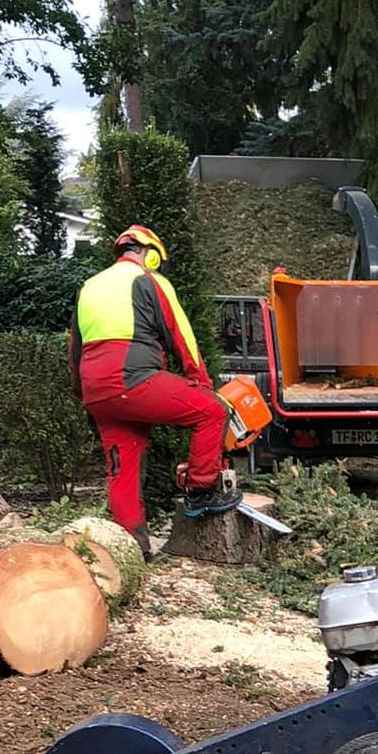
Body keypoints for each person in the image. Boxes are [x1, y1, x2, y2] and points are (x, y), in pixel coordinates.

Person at [69, 224, 239, 558]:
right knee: (213, 411)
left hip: (96, 392)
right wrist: (204, 386)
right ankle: (202, 490)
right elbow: (182, 337)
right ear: (151, 255)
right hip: (132, 379)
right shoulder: (150, 281)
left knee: (124, 466)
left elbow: (74, 348)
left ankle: (131, 551)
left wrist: (84, 396)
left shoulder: (89, 286)